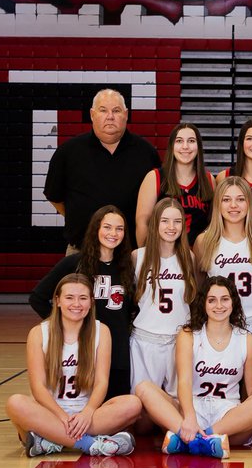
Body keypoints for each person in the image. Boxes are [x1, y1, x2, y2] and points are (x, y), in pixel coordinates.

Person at [135, 276, 252, 458]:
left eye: (225, 299)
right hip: (191, 408)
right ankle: (201, 439)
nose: (219, 306)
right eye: (212, 300)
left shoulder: (247, 339)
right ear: (204, 304)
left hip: (228, 416)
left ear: (233, 302)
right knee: (143, 388)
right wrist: (190, 418)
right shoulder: (188, 335)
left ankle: (195, 439)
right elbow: (184, 381)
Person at [5, 273, 142, 457]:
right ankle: (91, 444)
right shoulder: (39, 333)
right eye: (69, 297)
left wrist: (88, 412)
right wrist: (62, 417)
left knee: (133, 404)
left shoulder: (101, 331)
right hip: (50, 414)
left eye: (83, 298)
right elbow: (38, 387)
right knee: (15, 403)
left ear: (91, 302)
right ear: (57, 301)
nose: (76, 304)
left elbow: (101, 382)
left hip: (88, 417)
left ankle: (50, 442)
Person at [29, 205, 135, 399]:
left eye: (119, 229)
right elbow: (38, 298)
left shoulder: (128, 266)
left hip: (118, 355)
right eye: (107, 227)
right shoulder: (74, 263)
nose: (113, 233)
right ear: (96, 229)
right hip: (82, 352)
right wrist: (63, 325)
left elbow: (131, 310)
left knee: (117, 410)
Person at [43, 88, 160, 251]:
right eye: (103, 110)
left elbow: (157, 205)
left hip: (131, 254)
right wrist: (82, 220)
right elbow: (54, 197)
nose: (110, 116)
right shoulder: (68, 152)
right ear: (92, 114)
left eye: (116, 111)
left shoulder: (147, 153)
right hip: (81, 251)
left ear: (126, 115)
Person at [195, 177, 252, 356]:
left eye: (240, 199)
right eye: (226, 199)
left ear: (249, 204)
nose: (233, 205)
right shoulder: (204, 241)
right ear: (218, 205)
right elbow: (200, 287)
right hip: (219, 321)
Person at [130, 198, 199, 396]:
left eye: (177, 221)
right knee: (142, 401)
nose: (171, 227)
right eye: (165, 221)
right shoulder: (138, 257)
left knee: (179, 399)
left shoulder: (189, 257)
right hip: (145, 339)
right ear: (155, 223)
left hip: (180, 340)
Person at [135, 122, 214, 246]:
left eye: (191, 141)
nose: (185, 146)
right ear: (172, 146)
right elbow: (142, 223)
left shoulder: (209, 180)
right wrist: (147, 258)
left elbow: (213, 225)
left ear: (198, 147)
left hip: (198, 258)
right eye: (179, 141)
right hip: (163, 257)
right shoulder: (155, 177)